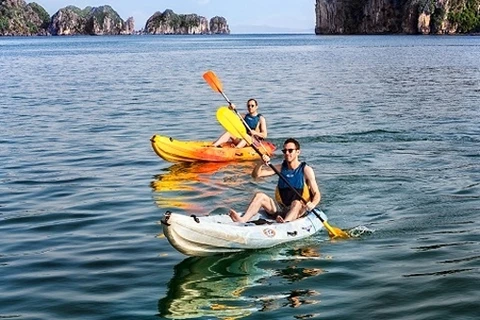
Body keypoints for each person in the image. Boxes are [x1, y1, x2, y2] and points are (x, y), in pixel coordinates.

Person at [229, 138, 321, 223]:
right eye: (285, 151)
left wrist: (313, 204)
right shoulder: (280, 168)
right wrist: (260, 163)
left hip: (299, 209)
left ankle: (285, 223)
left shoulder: (306, 170)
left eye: (290, 150)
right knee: (260, 196)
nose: (287, 153)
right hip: (282, 208)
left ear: (298, 152)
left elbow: (316, 193)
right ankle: (242, 220)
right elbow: (256, 175)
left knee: (296, 203)